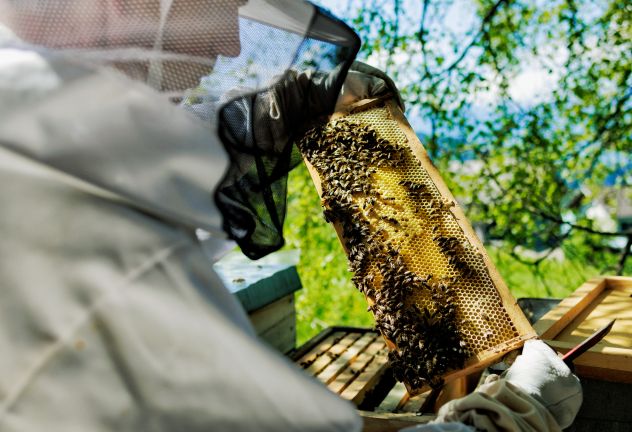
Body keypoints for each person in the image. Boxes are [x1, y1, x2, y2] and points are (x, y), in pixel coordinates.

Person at [0, 1, 581, 431]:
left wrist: (282, 110)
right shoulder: (97, 242)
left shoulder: (32, 129)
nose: (231, 44)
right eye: (224, 4)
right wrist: (514, 414)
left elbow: (148, 145)